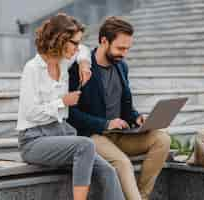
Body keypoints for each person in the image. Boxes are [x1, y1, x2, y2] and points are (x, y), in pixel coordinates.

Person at [17, 13, 125, 200]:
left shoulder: (64, 62)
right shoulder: (32, 69)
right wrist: (63, 102)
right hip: (33, 141)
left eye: (77, 43)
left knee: (108, 171)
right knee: (85, 144)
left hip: (60, 135)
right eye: (73, 43)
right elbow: (30, 113)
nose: (77, 48)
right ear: (60, 40)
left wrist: (84, 64)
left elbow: (83, 50)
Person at [68, 16, 171, 200]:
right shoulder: (80, 68)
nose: (124, 53)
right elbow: (70, 114)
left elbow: (126, 108)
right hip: (93, 135)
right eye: (120, 48)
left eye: (127, 49)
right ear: (104, 41)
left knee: (162, 139)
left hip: (120, 134)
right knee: (123, 163)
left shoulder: (121, 67)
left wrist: (137, 118)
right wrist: (106, 123)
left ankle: (141, 196)